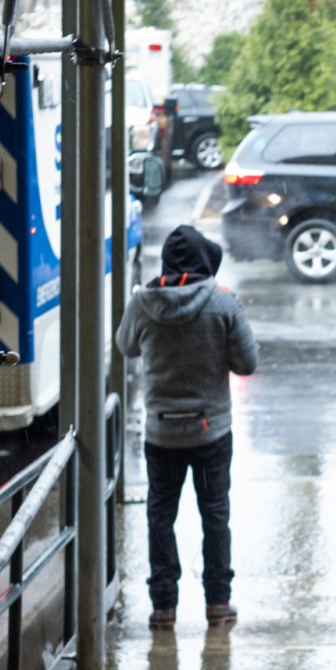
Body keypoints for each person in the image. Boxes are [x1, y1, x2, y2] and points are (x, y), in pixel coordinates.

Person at [115, 224, 259, 629]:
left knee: (161, 515)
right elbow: (248, 364)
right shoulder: (222, 302)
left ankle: (163, 606)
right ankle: (218, 602)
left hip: (161, 433)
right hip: (211, 431)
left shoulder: (143, 302)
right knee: (215, 514)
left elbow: (125, 346)